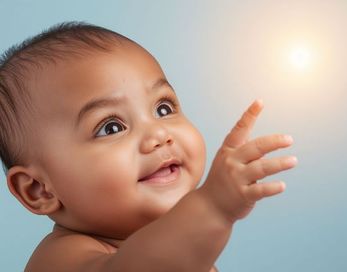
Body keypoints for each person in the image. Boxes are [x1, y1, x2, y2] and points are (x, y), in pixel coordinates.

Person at [0, 22, 297, 272]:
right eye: (111, 127)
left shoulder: (187, 250)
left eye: (164, 108)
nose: (158, 134)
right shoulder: (61, 259)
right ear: (38, 189)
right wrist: (213, 206)